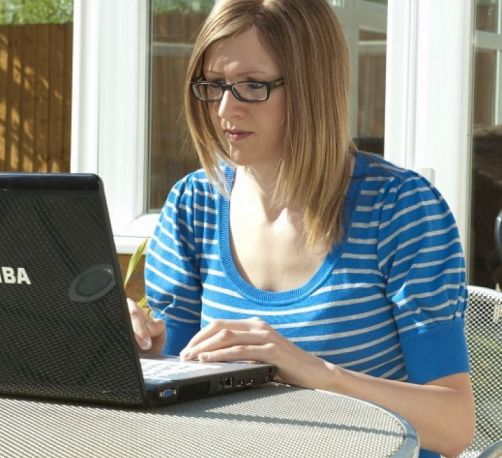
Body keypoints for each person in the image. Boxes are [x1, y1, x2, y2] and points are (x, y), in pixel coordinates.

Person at [127, 0, 475, 457]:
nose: (226, 108)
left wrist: (317, 374)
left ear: (312, 87)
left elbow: (454, 425)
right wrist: (142, 355)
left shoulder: (398, 209)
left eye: (253, 85)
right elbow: (179, 385)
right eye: (214, 85)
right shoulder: (195, 206)